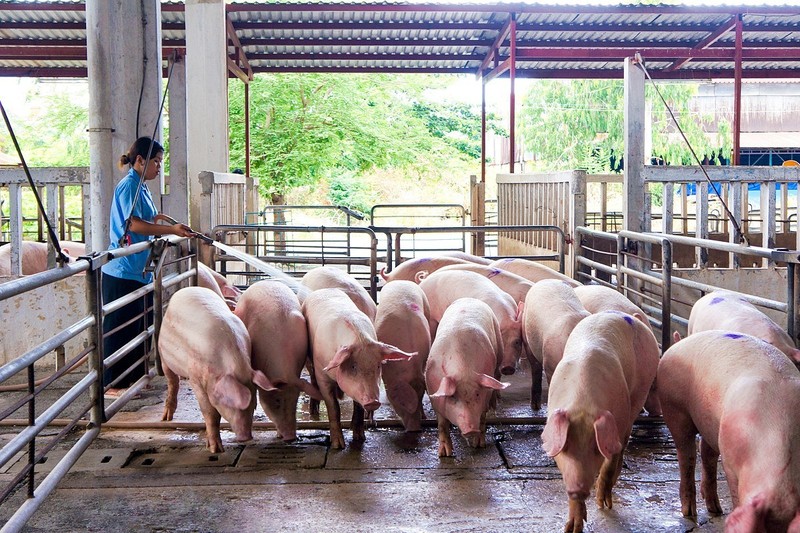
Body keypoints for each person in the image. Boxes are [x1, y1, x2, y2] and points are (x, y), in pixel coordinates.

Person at [101, 136, 195, 399]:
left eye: (160, 162)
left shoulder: (141, 187)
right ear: (140, 160)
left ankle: (131, 379)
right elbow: (133, 225)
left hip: (139, 270)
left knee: (137, 327)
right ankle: (113, 384)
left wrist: (162, 220)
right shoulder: (128, 186)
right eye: (155, 162)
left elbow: (146, 219)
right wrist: (169, 229)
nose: (158, 168)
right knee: (120, 329)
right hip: (123, 270)